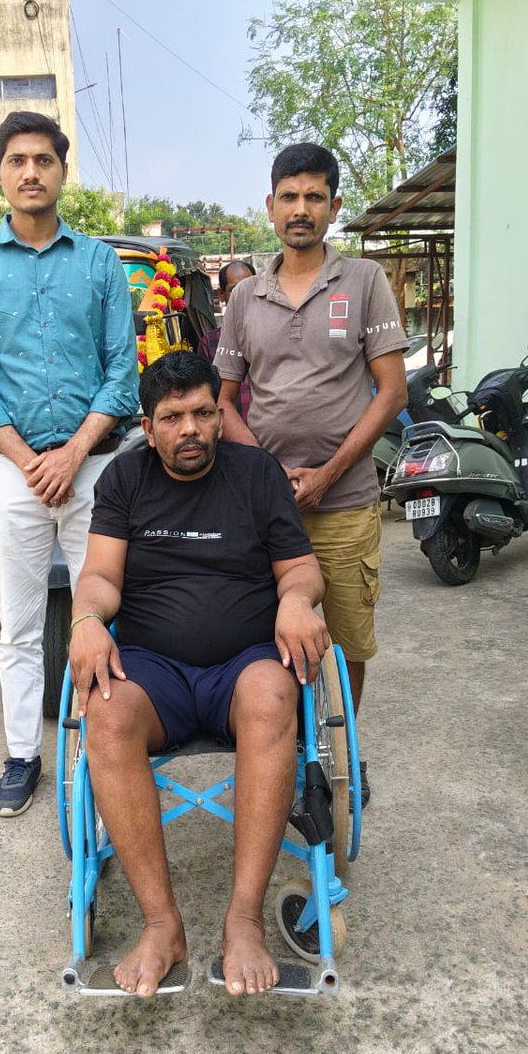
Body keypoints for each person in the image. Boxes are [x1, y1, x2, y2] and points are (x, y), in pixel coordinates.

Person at [69, 351, 330, 998]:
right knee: (103, 713)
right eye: (172, 417)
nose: (189, 429)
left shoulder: (256, 474)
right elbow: (101, 576)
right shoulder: (124, 480)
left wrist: (296, 599)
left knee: (275, 694)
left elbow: (300, 568)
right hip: (153, 670)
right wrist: (86, 619)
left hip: (243, 663)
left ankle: (243, 924)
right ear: (148, 425)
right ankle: (163, 927)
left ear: (221, 414)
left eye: (203, 413)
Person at [0, 111, 138, 818]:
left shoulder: (99, 264)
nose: (31, 172)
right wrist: (33, 461)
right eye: (17, 160)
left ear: (62, 171)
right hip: (12, 472)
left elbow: (121, 374)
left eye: (44, 160)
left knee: (106, 615)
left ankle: (103, 748)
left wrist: (75, 452)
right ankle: (23, 755)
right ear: (1, 173)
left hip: (96, 468)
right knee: (20, 625)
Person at [215, 143, 408, 802]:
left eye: (314, 197)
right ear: (270, 207)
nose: (301, 210)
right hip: (266, 510)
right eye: (289, 197)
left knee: (348, 640)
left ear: (333, 206)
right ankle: (291, 750)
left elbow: (390, 393)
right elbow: (223, 402)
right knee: (268, 635)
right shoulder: (244, 296)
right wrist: (270, 478)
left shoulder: (363, 283)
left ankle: (338, 747)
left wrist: (326, 474)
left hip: (348, 501)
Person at [197, 259, 256, 421]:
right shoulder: (209, 343)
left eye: (250, 287)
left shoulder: (275, 334)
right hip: (232, 434)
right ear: (221, 295)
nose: (245, 295)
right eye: (235, 290)